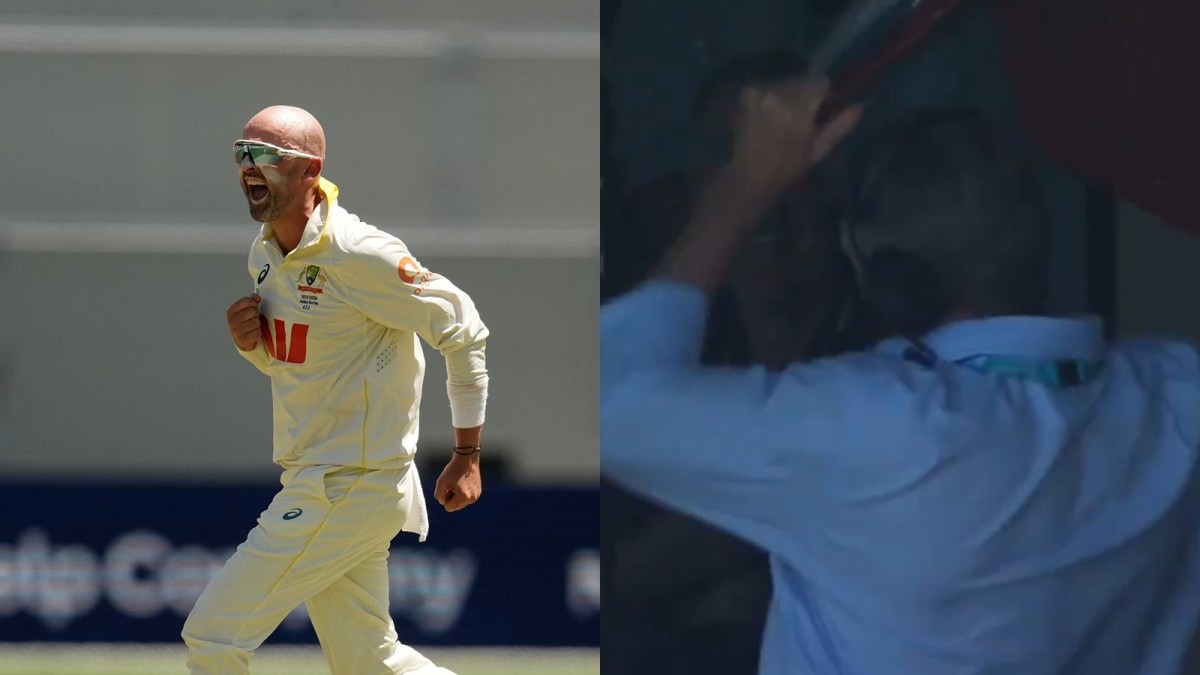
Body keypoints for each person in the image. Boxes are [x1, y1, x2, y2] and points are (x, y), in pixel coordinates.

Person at [601, 73, 1200, 674]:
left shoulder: (885, 430)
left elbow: (607, 400)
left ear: (887, 281)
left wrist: (743, 187)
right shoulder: (1174, 400)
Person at [182, 105, 489, 675]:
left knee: (213, 636)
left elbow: (464, 328)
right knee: (369, 661)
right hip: (328, 478)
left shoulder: (358, 251)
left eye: (268, 155)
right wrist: (250, 344)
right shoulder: (266, 254)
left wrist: (467, 453)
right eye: (242, 153)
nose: (250, 166)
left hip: (347, 483)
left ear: (310, 170)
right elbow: (303, 370)